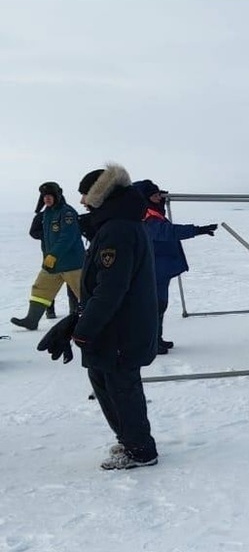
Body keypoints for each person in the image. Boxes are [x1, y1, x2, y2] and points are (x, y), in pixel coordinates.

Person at [38, 164, 160, 470]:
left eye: (85, 195)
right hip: (114, 328)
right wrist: (77, 322)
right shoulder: (116, 226)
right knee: (106, 381)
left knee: (120, 386)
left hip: (119, 330)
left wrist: (84, 329)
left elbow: (111, 288)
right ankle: (130, 441)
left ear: (101, 195)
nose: (81, 201)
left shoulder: (118, 230)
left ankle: (141, 450)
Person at [132, 179, 218, 354]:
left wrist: (161, 202)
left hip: (161, 268)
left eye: (158, 193)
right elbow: (167, 232)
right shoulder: (147, 216)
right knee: (153, 307)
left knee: (159, 306)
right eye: (154, 194)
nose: (158, 196)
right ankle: (150, 343)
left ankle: (156, 339)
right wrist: (197, 230)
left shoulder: (153, 212)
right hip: (153, 268)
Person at [11, 182, 84, 330]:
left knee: (85, 294)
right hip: (52, 264)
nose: (47, 199)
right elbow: (45, 237)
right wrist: (48, 256)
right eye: (44, 196)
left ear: (57, 196)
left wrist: (53, 254)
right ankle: (32, 320)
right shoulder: (46, 214)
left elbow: (67, 237)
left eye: (50, 196)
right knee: (40, 289)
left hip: (72, 264)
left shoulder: (67, 212)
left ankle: (100, 323)